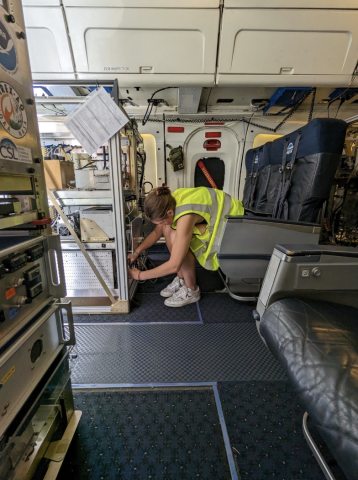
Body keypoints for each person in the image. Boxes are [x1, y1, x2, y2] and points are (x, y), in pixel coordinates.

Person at [127, 186, 244, 307]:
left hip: (233, 225)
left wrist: (139, 275)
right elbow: (157, 232)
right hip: (221, 217)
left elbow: (174, 265)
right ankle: (181, 278)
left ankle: (192, 290)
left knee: (174, 234)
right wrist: (136, 253)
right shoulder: (168, 202)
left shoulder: (185, 216)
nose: (160, 225)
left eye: (160, 222)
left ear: (170, 213)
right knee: (167, 227)